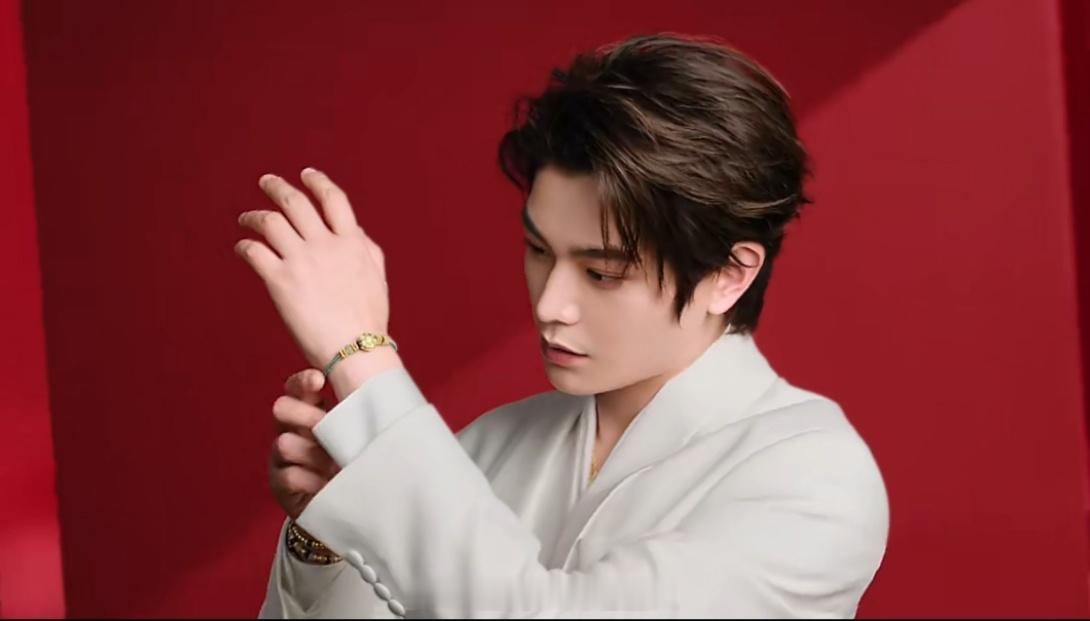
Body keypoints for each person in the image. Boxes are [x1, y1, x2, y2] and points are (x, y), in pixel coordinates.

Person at [238, 32, 889, 619]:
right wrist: (325, 540)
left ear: (729, 274)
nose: (550, 303)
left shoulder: (815, 477)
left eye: (602, 272)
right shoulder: (486, 445)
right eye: (538, 249)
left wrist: (362, 357)